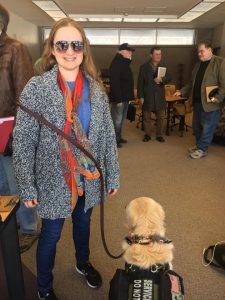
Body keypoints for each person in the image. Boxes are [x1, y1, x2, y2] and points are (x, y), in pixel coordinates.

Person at [13, 17, 120, 300]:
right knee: (51, 235)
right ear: (52, 48)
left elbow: (108, 136)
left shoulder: (96, 91)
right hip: (53, 180)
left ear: (84, 49)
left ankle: (82, 262)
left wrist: (114, 175)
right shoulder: (36, 88)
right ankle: (44, 288)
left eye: (76, 44)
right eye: (62, 44)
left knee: (83, 226)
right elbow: (23, 142)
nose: (70, 51)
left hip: (88, 177)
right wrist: (27, 186)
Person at [0, 4, 39, 253]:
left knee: (17, 182)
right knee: (1, 184)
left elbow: (25, 95)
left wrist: (19, 133)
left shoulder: (16, 49)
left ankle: (28, 228)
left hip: (10, 126)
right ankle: (9, 222)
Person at [174, 40, 225, 159]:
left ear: (209, 50)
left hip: (212, 103)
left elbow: (224, 84)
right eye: (198, 52)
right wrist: (180, 91)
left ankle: (202, 149)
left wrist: (219, 97)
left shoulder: (220, 63)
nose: (199, 54)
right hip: (198, 102)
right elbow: (191, 83)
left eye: (201, 51)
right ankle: (199, 145)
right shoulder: (198, 65)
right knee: (197, 126)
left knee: (208, 127)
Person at [137, 46, 171, 143]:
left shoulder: (164, 65)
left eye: (160, 54)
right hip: (148, 96)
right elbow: (140, 83)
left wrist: (162, 79)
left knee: (160, 117)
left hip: (160, 96)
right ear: (151, 55)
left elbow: (169, 77)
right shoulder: (144, 67)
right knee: (147, 118)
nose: (158, 56)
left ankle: (159, 135)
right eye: (156, 54)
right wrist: (141, 96)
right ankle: (147, 134)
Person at [109, 43, 135, 148]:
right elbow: (115, 83)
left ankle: (118, 137)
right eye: (129, 51)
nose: (131, 53)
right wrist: (119, 99)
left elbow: (127, 82)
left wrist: (129, 97)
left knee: (121, 120)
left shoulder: (124, 63)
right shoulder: (116, 63)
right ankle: (113, 140)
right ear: (122, 51)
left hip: (125, 97)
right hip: (119, 98)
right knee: (116, 120)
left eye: (131, 51)